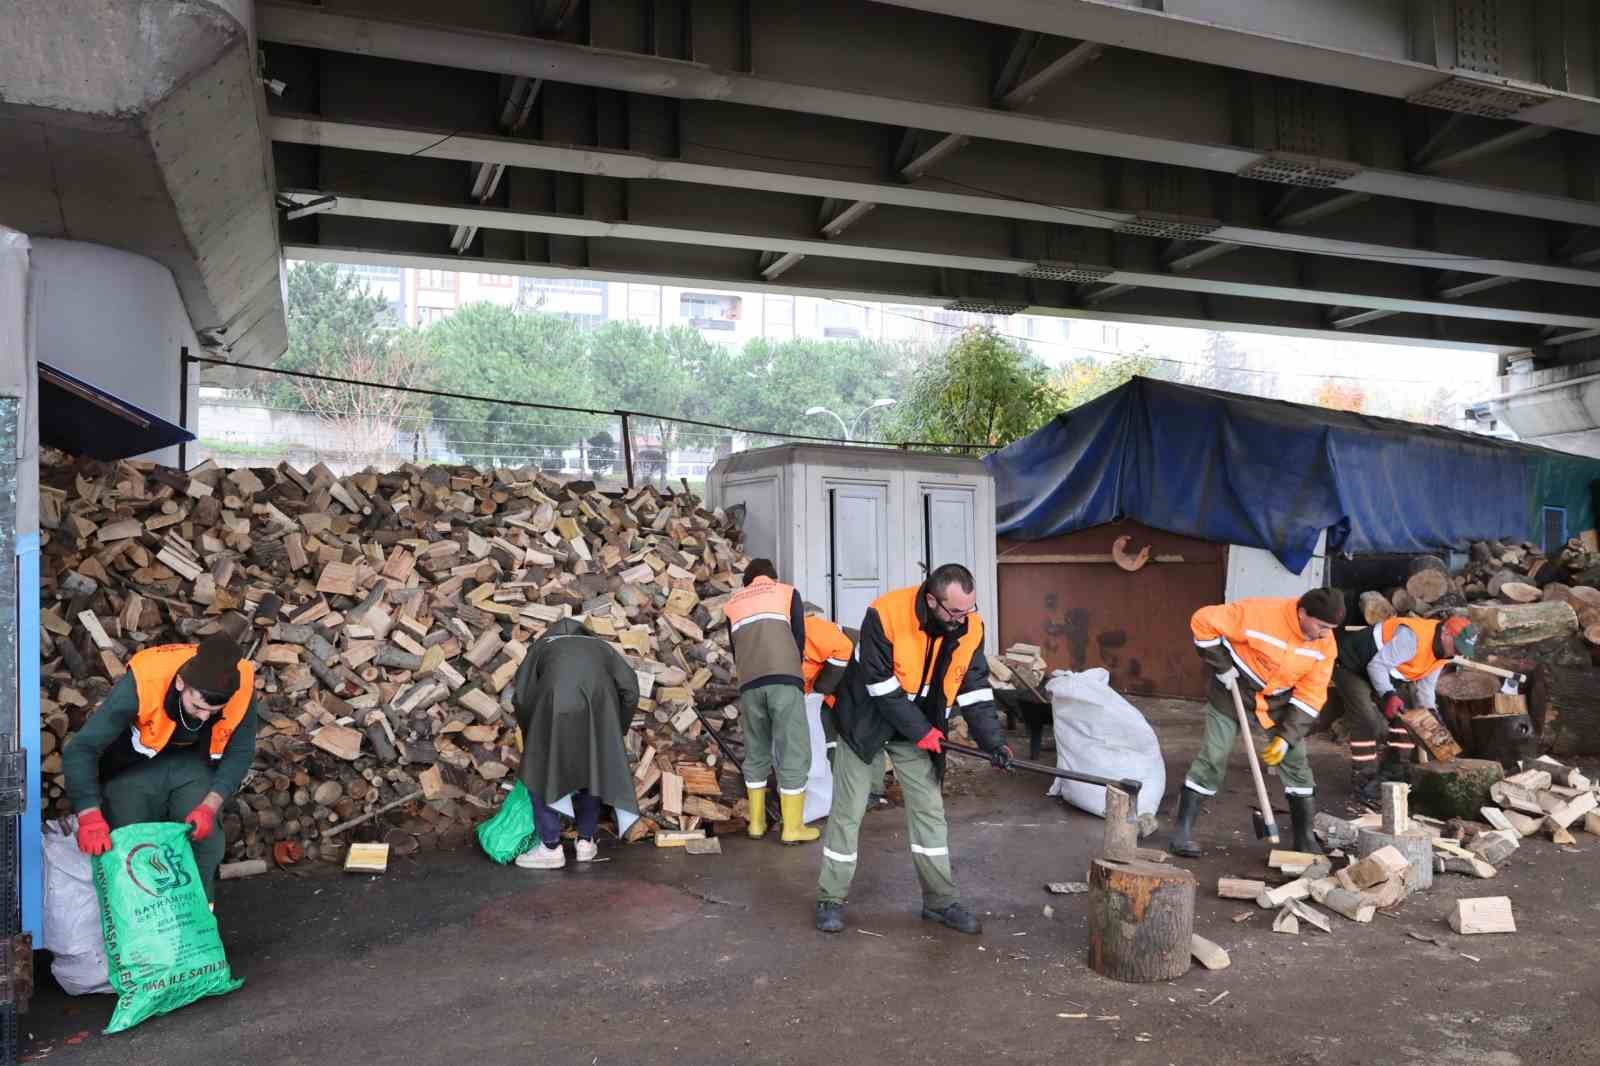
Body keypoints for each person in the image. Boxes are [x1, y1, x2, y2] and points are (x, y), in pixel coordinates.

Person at [814, 564, 1013, 936]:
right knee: (849, 810)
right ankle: (830, 897)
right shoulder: (884, 614)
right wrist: (923, 731)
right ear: (931, 599)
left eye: (969, 609)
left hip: (915, 724)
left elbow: (973, 688)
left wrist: (994, 742)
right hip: (864, 721)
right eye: (955, 611)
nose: (963, 619)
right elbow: (880, 686)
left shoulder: (969, 627)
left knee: (929, 811)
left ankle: (940, 901)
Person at [62, 634, 259, 907]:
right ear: (181, 684)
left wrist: (209, 806)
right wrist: (89, 814)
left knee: (206, 841)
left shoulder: (242, 682)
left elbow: (240, 752)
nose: (204, 717)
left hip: (192, 763)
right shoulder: (145, 680)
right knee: (131, 843)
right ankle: (139, 923)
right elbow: (80, 749)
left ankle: (198, 920)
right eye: (198, 707)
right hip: (131, 765)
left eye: (214, 711)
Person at [1167, 589, 1344, 859]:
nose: (1325, 634)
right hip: (1232, 688)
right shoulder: (1258, 613)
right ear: (1303, 613)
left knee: (1296, 760)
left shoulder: (1325, 645)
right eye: (1322, 626)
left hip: (1277, 701)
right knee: (1215, 755)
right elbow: (1202, 620)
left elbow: (1312, 694)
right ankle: (1182, 832)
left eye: (1331, 629)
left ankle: (1304, 838)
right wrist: (1221, 665)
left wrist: (1286, 738)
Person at [509, 616, 641, 869]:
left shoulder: (543, 646)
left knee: (539, 768)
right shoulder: (602, 647)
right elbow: (630, 689)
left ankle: (550, 846)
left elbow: (522, 697)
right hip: (600, 714)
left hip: (552, 711)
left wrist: (532, 733)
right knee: (593, 769)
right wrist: (617, 727)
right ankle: (585, 841)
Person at [1331, 615, 1478, 805]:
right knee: (1367, 720)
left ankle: (1393, 770)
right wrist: (1388, 695)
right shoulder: (1413, 638)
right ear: (1445, 633)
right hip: (1352, 667)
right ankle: (1364, 779)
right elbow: (1376, 666)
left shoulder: (1445, 653)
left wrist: (1431, 714)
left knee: (1411, 716)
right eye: (1457, 647)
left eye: (1461, 650)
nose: (1458, 653)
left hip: (1384, 672)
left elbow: (1425, 688)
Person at [724, 559, 815, 844]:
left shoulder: (733, 602)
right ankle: (792, 828)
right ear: (772, 577)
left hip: (749, 684)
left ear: (747, 581)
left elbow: (734, 646)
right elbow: (799, 637)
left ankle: (756, 824)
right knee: (793, 750)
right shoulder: (786, 592)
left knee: (756, 750)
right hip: (784, 679)